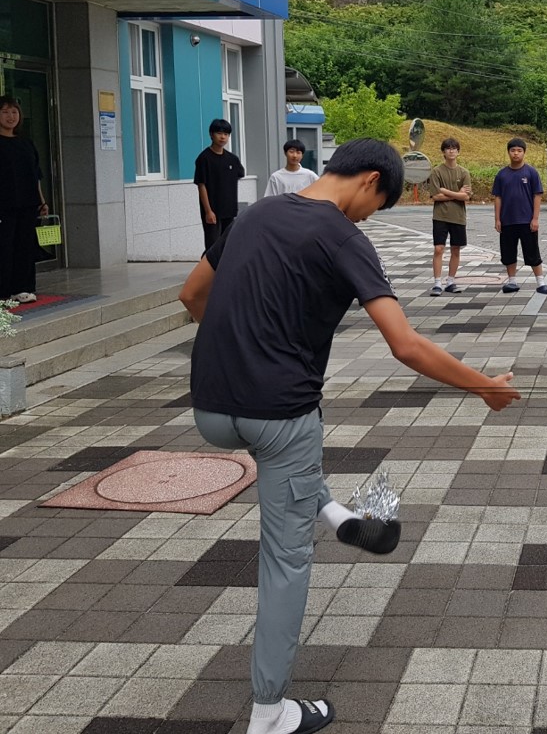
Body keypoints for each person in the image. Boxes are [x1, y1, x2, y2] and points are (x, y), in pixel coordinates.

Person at [179, 139, 519, 734]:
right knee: (286, 560)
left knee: (291, 463)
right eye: (378, 206)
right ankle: (270, 713)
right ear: (367, 180)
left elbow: (191, 296)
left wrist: (244, 343)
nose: (370, 218)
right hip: (278, 413)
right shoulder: (340, 235)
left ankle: (337, 515)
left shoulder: (255, 213)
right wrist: (482, 386)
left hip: (209, 408)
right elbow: (405, 344)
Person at [0, 95, 50, 304]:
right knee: (4, 247)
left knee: (25, 247)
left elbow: (35, 174)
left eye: (14, 112)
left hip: (28, 205)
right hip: (3, 206)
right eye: (4, 112)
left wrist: (42, 202)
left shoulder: (26, 143)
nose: (10, 116)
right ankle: (3, 291)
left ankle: (23, 289)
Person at [492, 136, 547, 294]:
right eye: (513, 150)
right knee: (508, 252)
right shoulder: (502, 175)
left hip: (527, 221)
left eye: (519, 151)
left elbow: (537, 196)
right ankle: (512, 281)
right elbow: (498, 197)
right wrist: (497, 219)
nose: (516, 154)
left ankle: (541, 283)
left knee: (532, 251)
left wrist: (535, 218)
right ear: (508, 152)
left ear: (524, 153)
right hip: (507, 221)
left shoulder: (531, 172)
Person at [425, 136, 471, 296]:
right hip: (440, 216)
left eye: (454, 148)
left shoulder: (464, 172)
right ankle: (437, 283)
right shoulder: (437, 171)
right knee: (439, 248)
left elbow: (466, 197)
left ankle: (451, 281)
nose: (451, 151)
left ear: (458, 152)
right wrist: (456, 194)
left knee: (456, 249)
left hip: (458, 217)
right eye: (448, 148)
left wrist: (445, 191)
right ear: (443, 152)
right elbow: (435, 196)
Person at [194, 118, 246, 251]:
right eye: (219, 133)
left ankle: (224, 272)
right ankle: (208, 272)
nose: (223, 137)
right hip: (213, 212)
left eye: (226, 134)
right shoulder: (204, 158)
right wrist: (208, 211)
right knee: (213, 248)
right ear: (211, 134)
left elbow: (240, 174)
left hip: (229, 210)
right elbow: (201, 185)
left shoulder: (232, 159)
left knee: (228, 246)